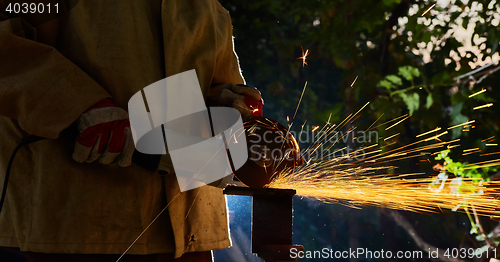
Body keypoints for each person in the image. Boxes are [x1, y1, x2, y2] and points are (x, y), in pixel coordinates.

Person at [0, 0, 260, 261]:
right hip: (80, 224)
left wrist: (226, 99)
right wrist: (80, 104)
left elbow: (210, 72)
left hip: (190, 227)